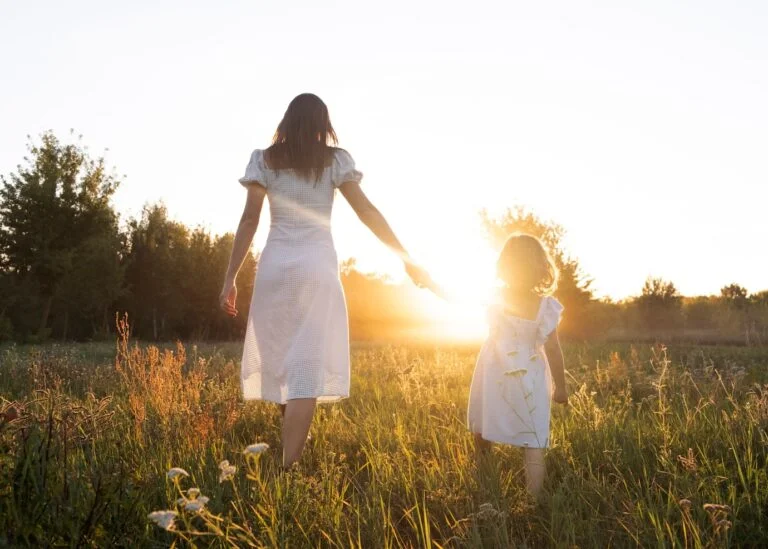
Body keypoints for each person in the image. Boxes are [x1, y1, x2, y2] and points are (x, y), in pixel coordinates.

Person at [220, 93, 430, 468]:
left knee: (284, 361)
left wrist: (229, 278)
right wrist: (406, 258)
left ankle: (290, 458)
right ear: (323, 125)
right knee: (304, 368)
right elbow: (366, 211)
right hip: (316, 269)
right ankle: (288, 467)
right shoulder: (334, 161)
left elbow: (249, 221)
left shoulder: (264, 160)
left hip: (275, 271)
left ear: (286, 122)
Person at [466, 233, 568, 497]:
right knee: (532, 436)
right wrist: (561, 387)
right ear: (540, 267)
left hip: (494, 369)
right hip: (531, 373)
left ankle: (484, 481)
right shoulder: (546, 307)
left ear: (504, 266)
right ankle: (534, 499)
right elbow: (554, 349)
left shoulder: (495, 299)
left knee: (484, 426)